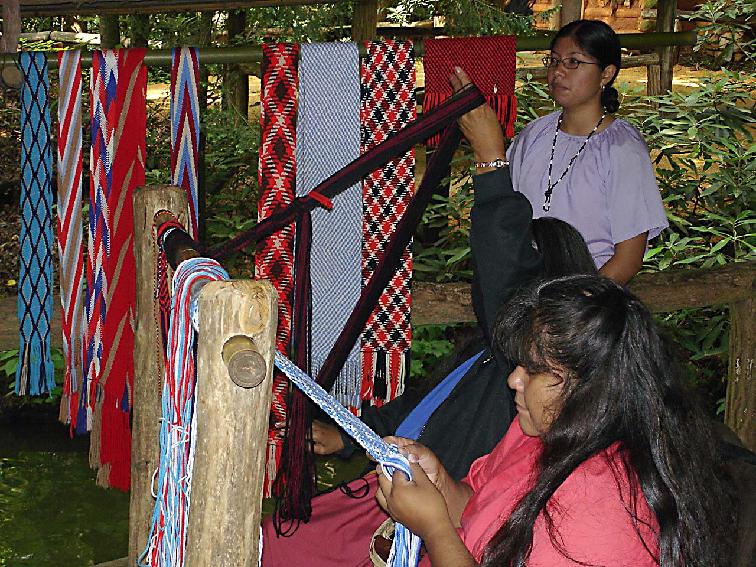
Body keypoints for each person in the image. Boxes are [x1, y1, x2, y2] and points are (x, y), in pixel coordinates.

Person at [261, 93, 597, 565]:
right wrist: (350, 437)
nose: (516, 381)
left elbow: (503, 272)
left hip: (429, 523)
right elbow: (423, 405)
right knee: (267, 544)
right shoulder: (487, 356)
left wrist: (490, 161)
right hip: (409, 489)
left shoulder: (526, 372)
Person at [376, 275, 737, 567]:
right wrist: (438, 484)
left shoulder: (603, 510)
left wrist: (435, 529)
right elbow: (479, 508)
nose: (514, 380)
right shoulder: (537, 427)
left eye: (533, 370)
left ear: (590, 388)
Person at [466, 20, 669, 284]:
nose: (558, 72)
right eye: (553, 60)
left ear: (606, 74)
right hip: (525, 289)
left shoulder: (621, 148)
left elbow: (628, 258)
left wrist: (574, 307)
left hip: (587, 298)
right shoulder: (534, 134)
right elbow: (506, 214)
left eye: (573, 62)